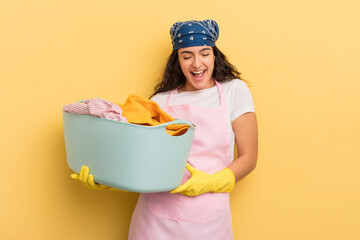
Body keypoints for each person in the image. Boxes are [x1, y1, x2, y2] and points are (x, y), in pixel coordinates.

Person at [72, 19, 258, 240]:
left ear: (215, 55)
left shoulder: (234, 91)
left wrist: (215, 181)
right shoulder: (159, 102)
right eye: (187, 56)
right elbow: (140, 162)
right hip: (154, 222)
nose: (197, 64)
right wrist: (106, 178)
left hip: (209, 218)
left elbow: (249, 157)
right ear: (177, 60)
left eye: (205, 53)